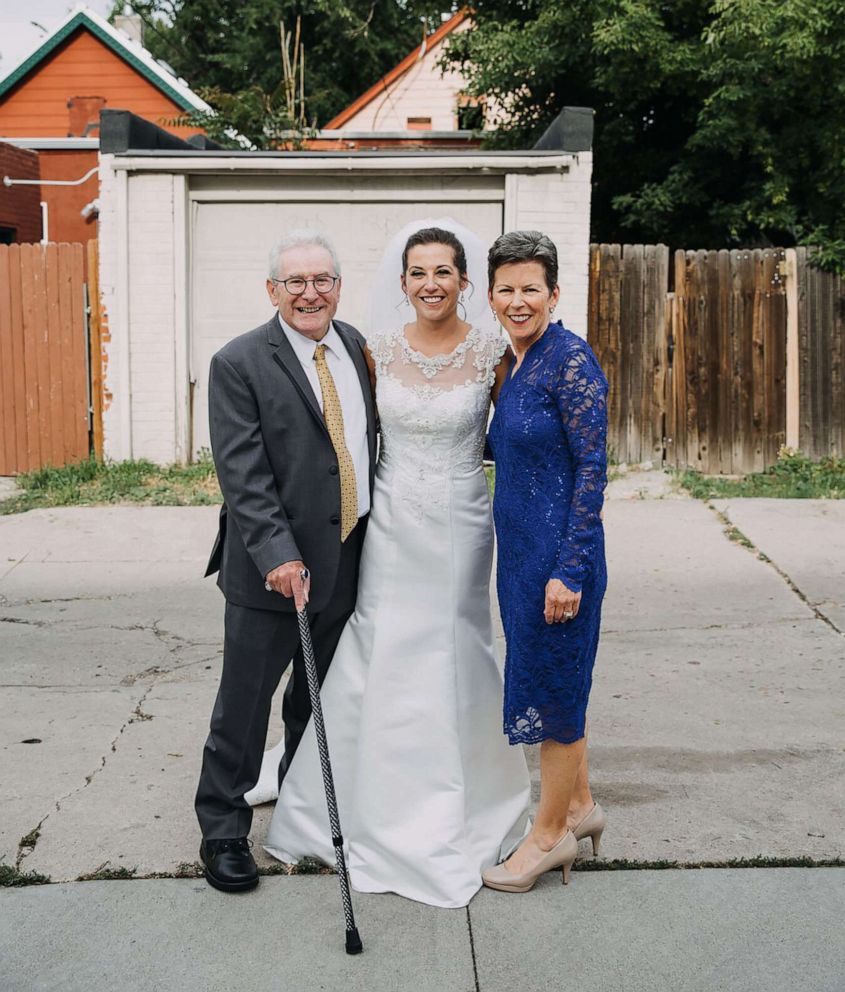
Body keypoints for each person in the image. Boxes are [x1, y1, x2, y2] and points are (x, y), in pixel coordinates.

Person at [262, 222, 531, 908]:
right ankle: (365, 801)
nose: (430, 284)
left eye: (443, 271)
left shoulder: (490, 352)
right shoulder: (372, 351)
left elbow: (519, 435)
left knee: (456, 648)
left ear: (464, 281)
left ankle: (468, 800)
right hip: (391, 524)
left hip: (463, 522)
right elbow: (346, 432)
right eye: (417, 272)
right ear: (402, 281)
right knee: (383, 645)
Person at [194, 230, 377, 892]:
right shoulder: (238, 362)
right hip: (271, 573)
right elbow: (241, 473)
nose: (310, 293)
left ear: (338, 285)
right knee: (244, 708)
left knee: (317, 700)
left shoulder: (357, 347)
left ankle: (299, 818)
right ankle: (221, 830)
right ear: (272, 290)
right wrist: (276, 554)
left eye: (321, 280)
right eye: (294, 282)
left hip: (346, 559)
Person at [481, 230, 608, 893]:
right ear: (492, 295)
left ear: (554, 293)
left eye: (530, 287)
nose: (518, 299)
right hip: (521, 562)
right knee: (548, 688)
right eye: (506, 288)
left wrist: (570, 570)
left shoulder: (568, 361)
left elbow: (593, 469)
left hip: (559, 563)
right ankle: (580, 807)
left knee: (558, 701)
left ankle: (548, 836)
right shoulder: (515, 362)